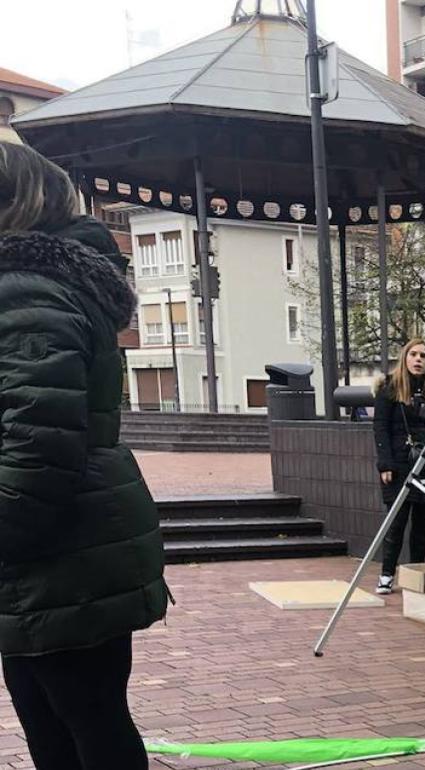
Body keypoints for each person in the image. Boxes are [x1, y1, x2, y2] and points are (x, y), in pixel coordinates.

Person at [0, 142, 167, 768]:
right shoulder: (43, 287)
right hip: (63, 550)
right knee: (70, 718)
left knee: (78, 722)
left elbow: (37, 449)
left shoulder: (24, 294)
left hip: (56, 551)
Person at [372, 338, 425, 594]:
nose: (419, 359)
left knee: (422, 526)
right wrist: (385, 464)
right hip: (398, 463)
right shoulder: (389, 389)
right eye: (414, 354)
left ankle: (416, 576)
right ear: (405, 358)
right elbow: (380, 428)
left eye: (423, 355)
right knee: (396, 522)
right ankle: (387, 573)